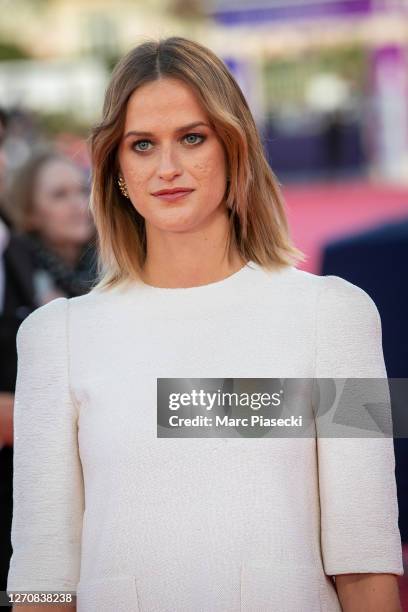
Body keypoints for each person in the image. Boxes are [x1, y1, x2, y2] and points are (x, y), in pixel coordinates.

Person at [6, 37, 403, 612]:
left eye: (192, 138)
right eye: (142, 145)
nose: (167, 168)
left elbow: (366, 559)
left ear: (234, 149)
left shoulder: (335, 315)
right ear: (117, 167)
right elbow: (42, 575)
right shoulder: (53, 339)